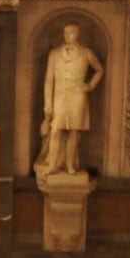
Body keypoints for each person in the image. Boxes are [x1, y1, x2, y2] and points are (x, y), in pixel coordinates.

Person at [38, 21, 104, 175]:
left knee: (74, 132)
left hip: (78, 96)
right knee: (56, 130)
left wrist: (89, 86)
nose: (67, 36)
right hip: (59, 96)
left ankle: (70, 165)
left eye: (71, 33)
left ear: (77, 34)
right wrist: (48, 104)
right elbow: (48, 81)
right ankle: (53, 164)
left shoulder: (86, 53)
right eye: (65, 33)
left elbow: (99, 69)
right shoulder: (54, 53)